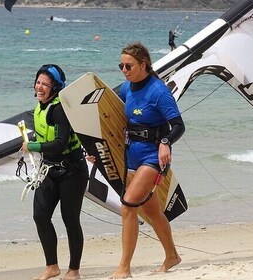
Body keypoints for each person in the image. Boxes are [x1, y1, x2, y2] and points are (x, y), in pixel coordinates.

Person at [90, 42, 185, 278]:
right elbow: (109, 117)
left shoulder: (158, 92)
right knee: (152, 212)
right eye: (121, 65)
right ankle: (172, 255)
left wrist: (165, 143)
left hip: (153, 156)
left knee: (128, 205)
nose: (124, 69)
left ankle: (124, 268)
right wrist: (94, 149)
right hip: (131, 155)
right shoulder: (126, 89)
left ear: (143, 65)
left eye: (128, 65)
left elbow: (179, 126)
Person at [21, 64, 89, 280]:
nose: (40, 87)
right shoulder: (40, 107)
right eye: (38, 82)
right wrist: (33, 142)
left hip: (72, 171)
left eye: (46, 84)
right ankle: (52, 267)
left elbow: (60, 143)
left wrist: (32, 147)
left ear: (56, 88)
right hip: (49, 170)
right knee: (40, 216)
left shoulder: (59, 110)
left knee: (70, 220)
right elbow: (46, 139)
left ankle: (74, 270)